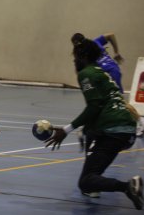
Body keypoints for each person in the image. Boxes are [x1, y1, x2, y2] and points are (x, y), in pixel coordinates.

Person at [45, 38, 143, 210]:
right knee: (90, 145)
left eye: (75, 57)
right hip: (126, 129)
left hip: (112, 129)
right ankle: (95, 185)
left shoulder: (86, 74)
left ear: (83, 56)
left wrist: (66, 130)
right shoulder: (100, 71)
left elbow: (94, 106)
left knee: (85, 180)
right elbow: (103, 103)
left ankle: (128, 186)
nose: (74, 61)